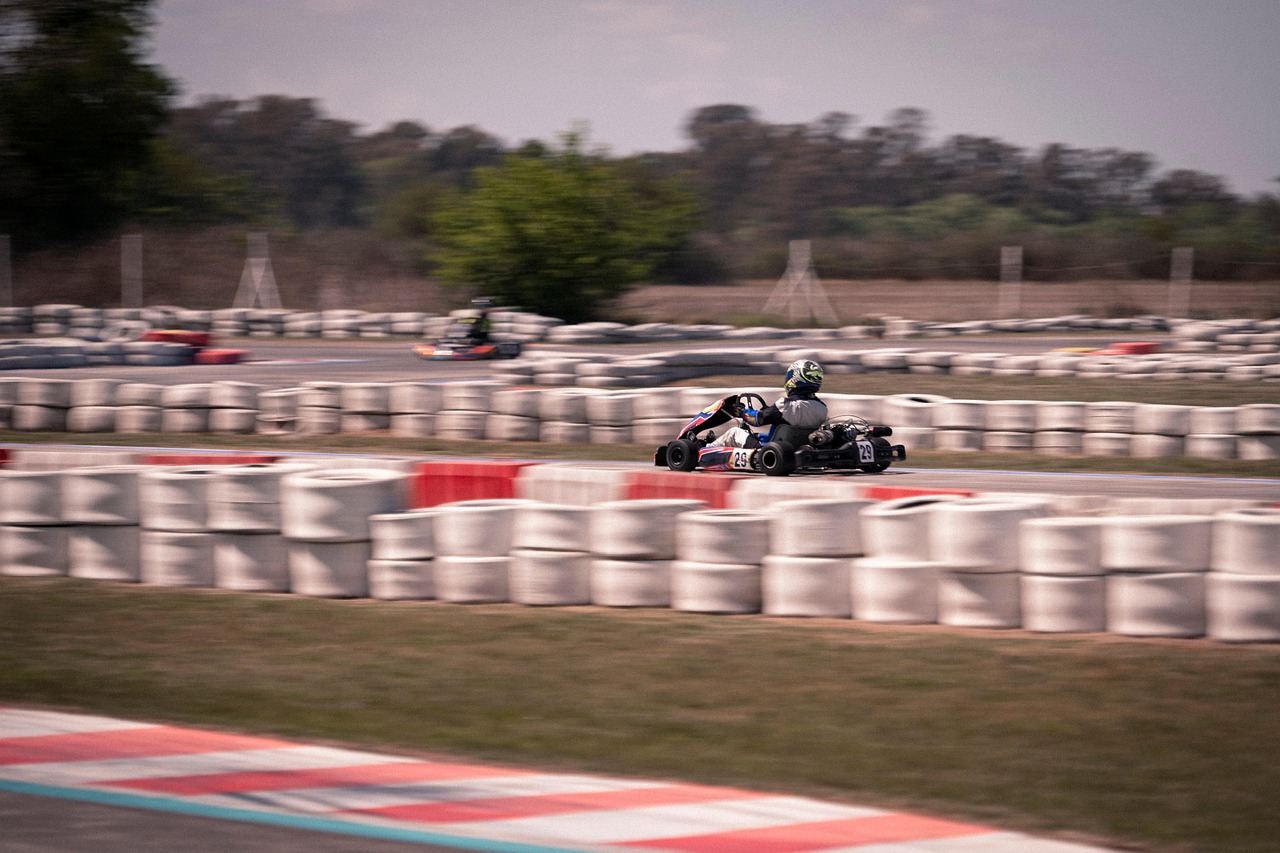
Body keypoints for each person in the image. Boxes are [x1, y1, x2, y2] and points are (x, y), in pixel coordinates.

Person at [705, 359, 828, 448]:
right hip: (799, 447)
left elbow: (758, 419)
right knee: (755, 434)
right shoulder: (822, 407)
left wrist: (742, 412)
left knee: (734, 433)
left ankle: (706, 450)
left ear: (795, 379)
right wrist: (767, 409)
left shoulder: (786, 405)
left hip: (769, 449)